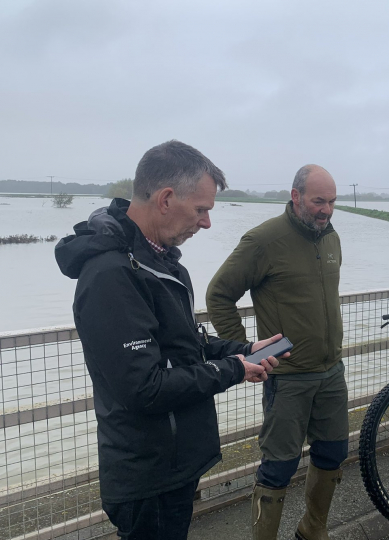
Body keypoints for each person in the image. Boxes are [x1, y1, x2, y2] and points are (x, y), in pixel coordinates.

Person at [55, 140, 285, 540]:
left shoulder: (156, 260)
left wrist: (243, 350)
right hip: (147, 474)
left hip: (176, 461)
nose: (207, 222)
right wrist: (232, 369)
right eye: (201, 209)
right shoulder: (112, 275)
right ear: (164, 199)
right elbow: (144, 388)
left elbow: (182, 345)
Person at [206, 164, 346, 540]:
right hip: (288, 378)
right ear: (296, 195)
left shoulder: (330, 237)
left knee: (333, 455)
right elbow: (218, 295)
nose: (327, 210)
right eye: (319, 201)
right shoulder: (264, 240)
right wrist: (245, 354)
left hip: (332, 371)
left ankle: (312, 530)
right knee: (278, 469)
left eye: (332, 201)